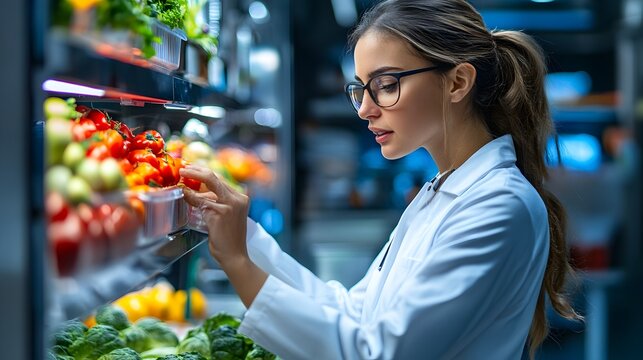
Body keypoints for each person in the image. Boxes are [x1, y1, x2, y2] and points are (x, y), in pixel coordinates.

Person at [180, 0, 581, 358]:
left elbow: (376, 352)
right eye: (361, 89)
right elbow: (354, 312)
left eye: (386, 85)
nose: (365, 109)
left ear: (458, 82)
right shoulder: (441, 191)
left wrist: (236, 262)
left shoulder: (499, 205)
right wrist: (242, 236)